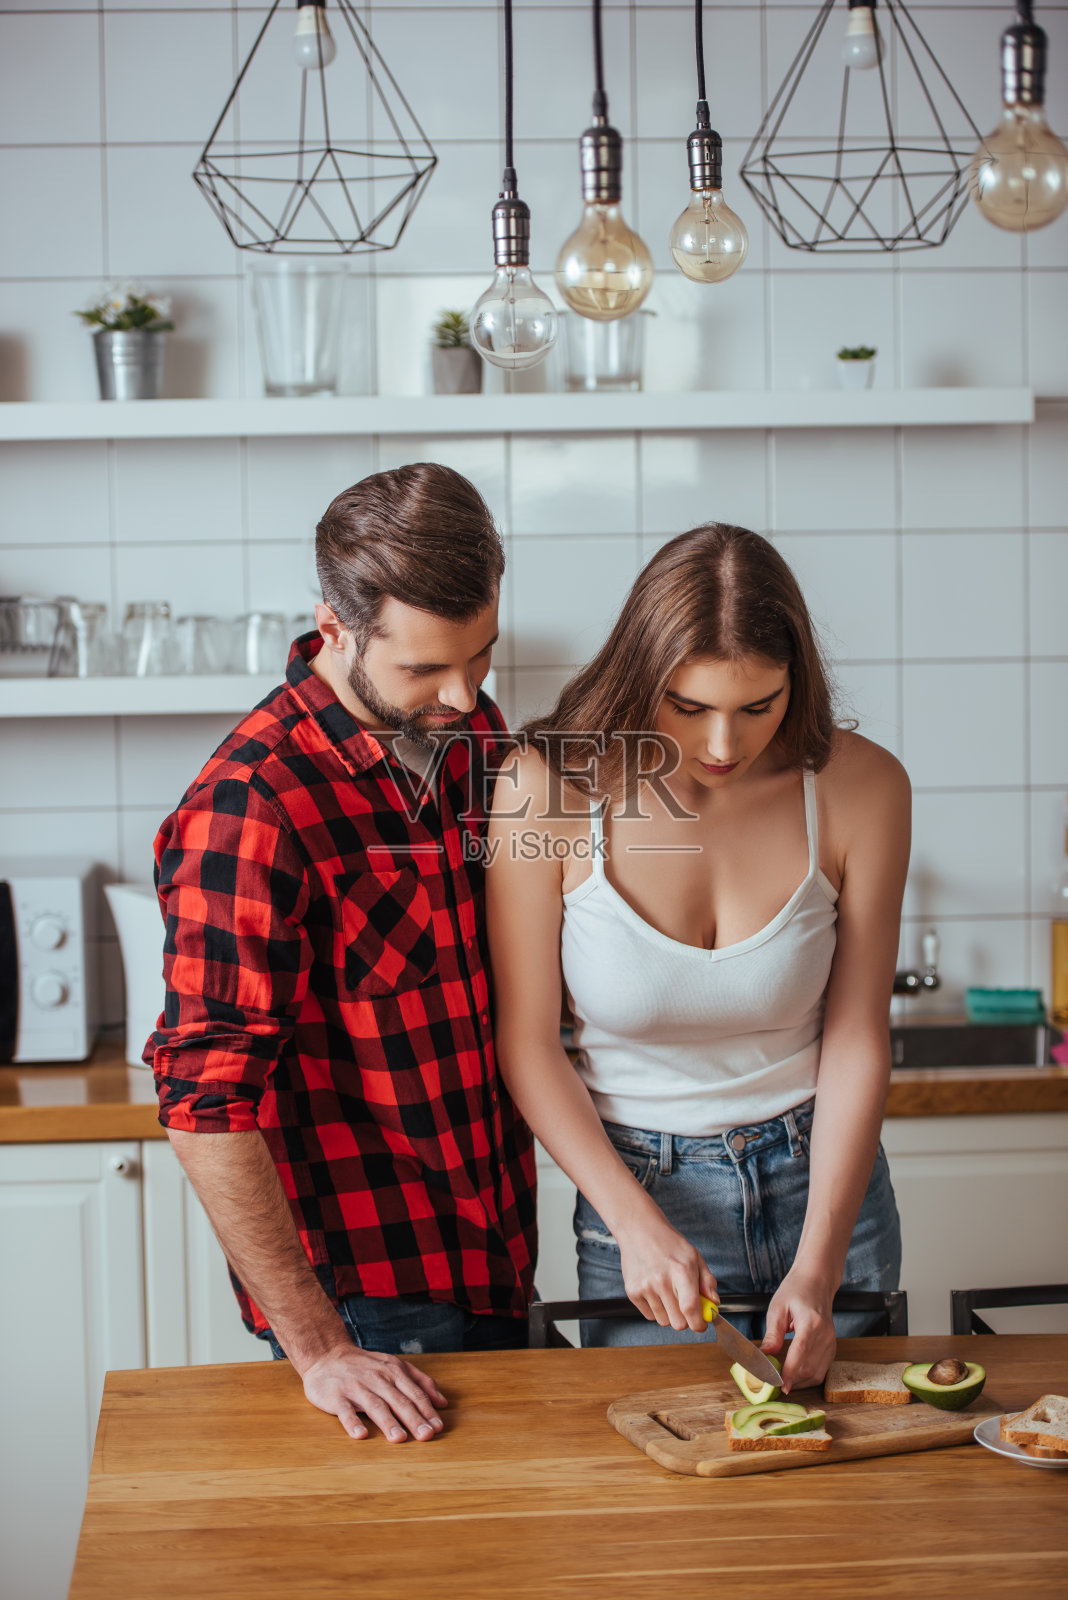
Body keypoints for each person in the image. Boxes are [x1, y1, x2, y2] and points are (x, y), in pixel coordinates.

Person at [149, 463, 536, 1443]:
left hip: (496, 1251)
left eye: (480, 656)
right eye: (422, 670)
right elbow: (204, 1106)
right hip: (371, 1307)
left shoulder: (468, 731)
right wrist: (319, 1346)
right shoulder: (252, 806)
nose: (461, 692)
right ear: (334, 626)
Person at [486, 522, 909, 1394]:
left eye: (759, 706)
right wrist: (631, 1224)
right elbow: (526, 1042)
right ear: (643, 676)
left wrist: (821, 1263)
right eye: (689, 706)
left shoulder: (863, 787)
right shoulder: (546, 785)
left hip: (824, 1189)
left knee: (853, 1495)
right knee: (666, 1503)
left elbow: (860, 1034)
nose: (724, 744)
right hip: (640, 1195)